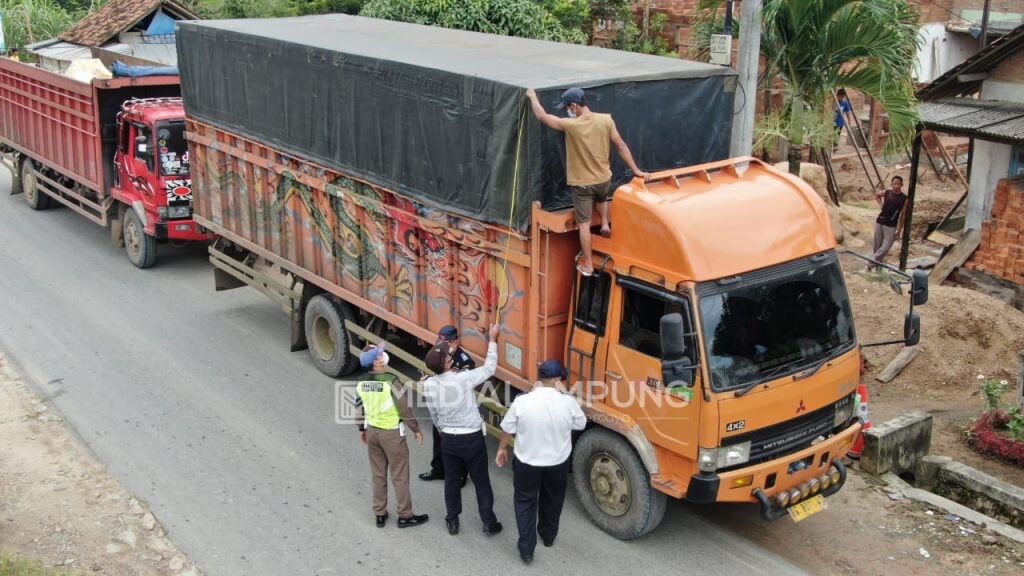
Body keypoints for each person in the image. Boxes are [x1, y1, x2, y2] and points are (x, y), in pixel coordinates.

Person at [525, 87, 650, 277]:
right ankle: (605, 225)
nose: (568, 110)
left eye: (568, 107)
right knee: (601, 198)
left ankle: (589, 265)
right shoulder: (606, 120)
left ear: (574, 106)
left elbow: (542, 116)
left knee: (584, 224)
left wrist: (532, 97)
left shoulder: (571, 125)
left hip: (583, 184)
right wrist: (637, 170)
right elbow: (621, 145)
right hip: (603, 179)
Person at [496, 359, 586, 565]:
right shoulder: (568, 402)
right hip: (557, 463)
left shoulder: (522, 401)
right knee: (553, 500)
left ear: (539, 377)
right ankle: (548, 537)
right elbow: (580, 423)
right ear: (557, 380)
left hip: (527, 462)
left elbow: (507, 429)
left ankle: (527, 550)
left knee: (525, 502)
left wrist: (501, 448)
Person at [421, 324, 503, 537]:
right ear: (447, 363)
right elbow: (489, 369)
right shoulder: (462, 379)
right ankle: (488, 522)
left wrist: (441, 430)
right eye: (447, 358)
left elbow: (434, 414)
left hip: (448, 439)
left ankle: (452, 521)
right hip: (471, 439)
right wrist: (493, 339)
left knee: (451, 480)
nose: (450, 358)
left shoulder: (428, 385)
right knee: (481, 481)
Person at [353, 342, 429, 529]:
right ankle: (405, 515)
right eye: (380, 354)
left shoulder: (361, 381)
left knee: (378, 474)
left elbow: (359, 409)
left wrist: (362, 429)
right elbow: (403, 407)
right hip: (392, 434)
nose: (383, 355)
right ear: (377, 362)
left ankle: (380, 513)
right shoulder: (391, 380)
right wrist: (416, 430)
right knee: (400, 475)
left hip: (373, 432)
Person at [419, 325, 475, 483]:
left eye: (446, 342)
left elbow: (460, 381)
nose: (442, 344)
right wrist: (429, 379)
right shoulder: (439, 352)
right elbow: (438, 372)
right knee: (438, 439)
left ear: (455, 342)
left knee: (457, 446)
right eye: (440, 340)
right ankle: (438, 470)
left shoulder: (465, 360)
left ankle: (461, 475)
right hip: (441, 407)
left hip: (456, 410)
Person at [869, 175, 908, 270]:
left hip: (891, 225)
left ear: (902, 185)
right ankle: (877, 267)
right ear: (891, 184)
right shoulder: (887, 192)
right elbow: (877, 195)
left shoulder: (904, 198)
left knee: (887, 246)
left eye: (899, 184)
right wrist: (881, 205)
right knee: (877, 246)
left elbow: (903, 215)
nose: (897, 186)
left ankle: (872, 260)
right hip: (880, 221)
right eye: (895, 183)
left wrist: (899, 230)